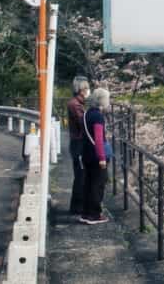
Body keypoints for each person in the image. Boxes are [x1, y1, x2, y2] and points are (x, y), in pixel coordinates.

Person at [80, 87, 111, 225]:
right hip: (95, 155)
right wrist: (102, 158)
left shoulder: (87, 113)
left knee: (88, 183)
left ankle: (85, 213)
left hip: (86, 153)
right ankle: (94, 214)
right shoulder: (98, 116)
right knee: (97, 185)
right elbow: (98, 138)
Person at [66, 75, 90, 217]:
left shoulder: (77, 104)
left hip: (77, 143)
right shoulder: (75, 105)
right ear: (80, 89)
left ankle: (78, 206)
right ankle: (77, 207)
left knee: (81, 175)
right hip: (78, 144)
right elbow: (84, 123)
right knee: (81, 175)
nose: (88, 90)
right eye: (86, 88)